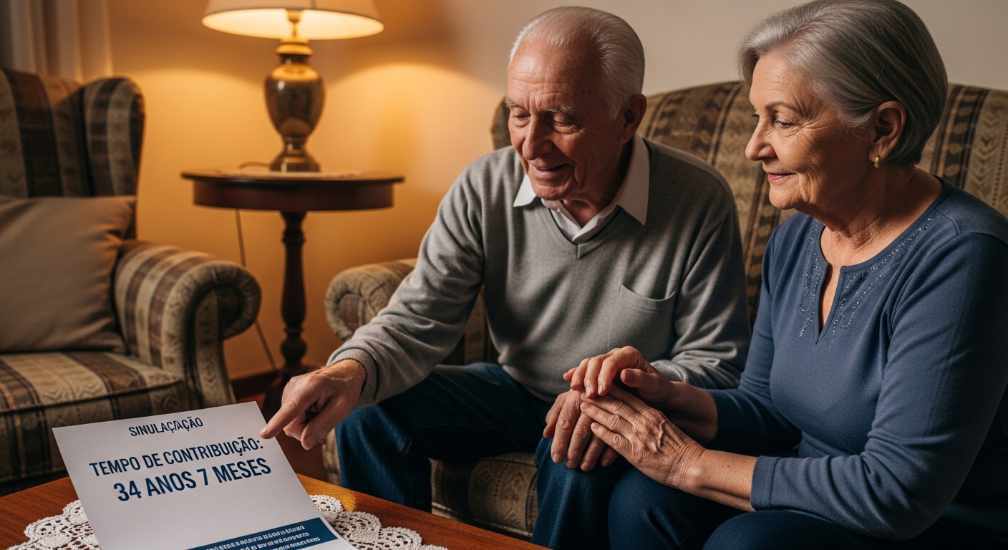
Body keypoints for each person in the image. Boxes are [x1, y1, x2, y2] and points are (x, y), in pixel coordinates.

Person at [260, 6, 751, 549]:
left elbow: (718, 362)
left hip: (609, 408)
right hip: (514, 388)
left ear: (628, 116)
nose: (531, 146)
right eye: (519, 114)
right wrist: (350, 369)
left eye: (562, 120)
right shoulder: (483, 186)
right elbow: (420, 316)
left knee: (579, 445)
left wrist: (618, 393)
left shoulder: (698, 199)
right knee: (368, 407)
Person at [567, 1, 1008, 548]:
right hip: (814, 492)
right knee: (643, 499)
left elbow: (897, 490)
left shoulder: (964, 256)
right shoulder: (799, 234)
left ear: (883, 129)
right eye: (757, 118)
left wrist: (690, 464)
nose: (755, 147)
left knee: (748, 544)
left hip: (935, 524)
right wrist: (665, 393)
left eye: (782, 119)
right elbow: (769, 410)